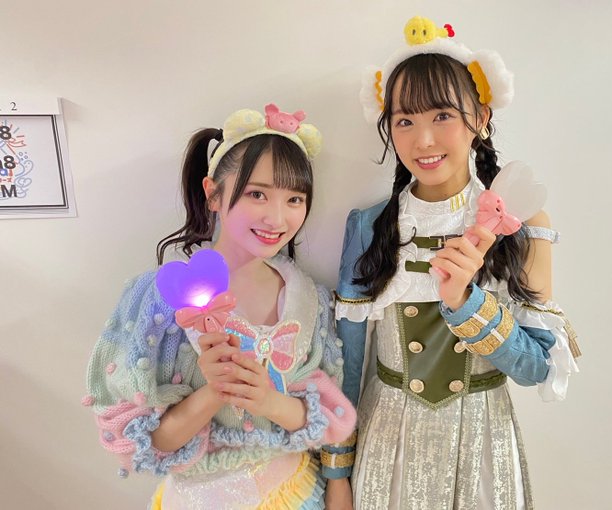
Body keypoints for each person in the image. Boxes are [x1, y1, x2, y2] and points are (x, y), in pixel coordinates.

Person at [334, 16, 581, 509]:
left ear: (481, 118)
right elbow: (348, 364)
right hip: (389, 443)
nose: (423, 140)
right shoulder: (368, 226)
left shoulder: (523, 220)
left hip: (482, 443)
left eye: (443, 115)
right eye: (405, 121)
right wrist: (337, 471)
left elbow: (536, 368)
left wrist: (467, 303)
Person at [83, 104, 356, 509]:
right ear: (213, 193)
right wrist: (216, 390)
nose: (277, 218)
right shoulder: (157, 299)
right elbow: (145, 440)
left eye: (294, 199)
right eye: (257, 194)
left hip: (296, 493)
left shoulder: (309, 300)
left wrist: (269, 401)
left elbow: (327, 420)